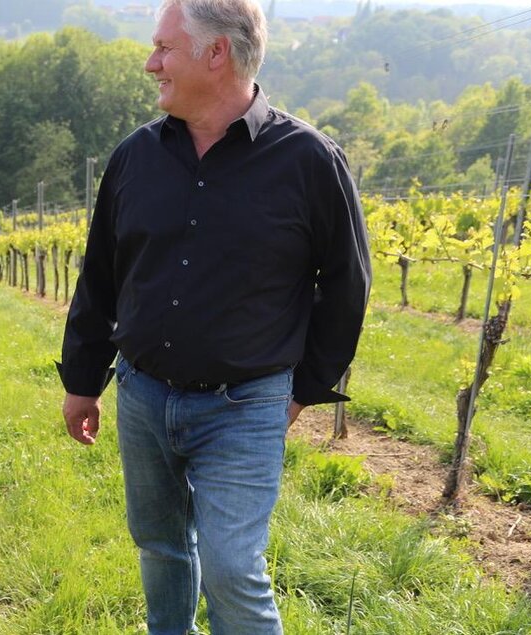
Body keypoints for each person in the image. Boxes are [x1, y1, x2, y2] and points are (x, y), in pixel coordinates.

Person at [58, 1, 371, 633]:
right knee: (161, 547)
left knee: (234, 569)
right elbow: (102, 275)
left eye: (164, 49)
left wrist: (303, 393)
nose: (152, 64)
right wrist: (83, 380)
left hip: (246, 404)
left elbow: (346, 285)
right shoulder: (134, 157)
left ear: (216, 53)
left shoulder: (308, 159)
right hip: (143, 397)